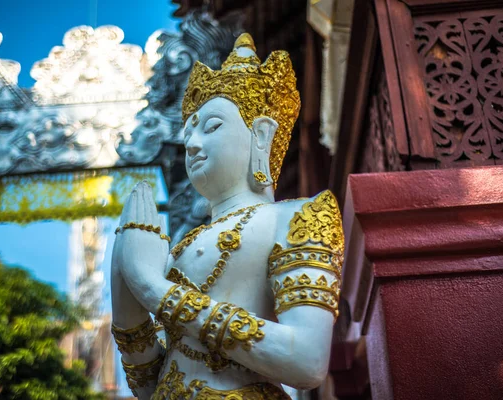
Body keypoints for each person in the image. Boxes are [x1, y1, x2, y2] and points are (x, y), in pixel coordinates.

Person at [111, 33, 344, 399]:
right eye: (188, 133)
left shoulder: (298, 217)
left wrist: (152, 288)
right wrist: (126, 306)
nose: (191, 144)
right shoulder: (181, 247)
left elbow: (307, 360)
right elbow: (147, 385)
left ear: (261, 135)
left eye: (212, 127)